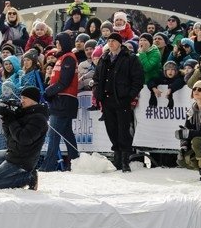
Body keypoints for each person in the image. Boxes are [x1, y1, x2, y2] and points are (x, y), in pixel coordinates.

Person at [92, 32, 145, 172]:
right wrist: (97, 92)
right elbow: (97, 78)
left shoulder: (130, 58)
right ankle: (117, 158)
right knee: (111, 129)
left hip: (122, 100)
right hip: (107, 100)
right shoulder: (104, 58)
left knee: (124, 131)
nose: (111, 43)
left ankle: (125, 160)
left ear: (120, 43)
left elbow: (138, 79)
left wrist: (129, 96)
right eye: (109, 41)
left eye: (114, 41)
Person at [0, 86, 48, 190]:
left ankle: (28, 177)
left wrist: (12, 120)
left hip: (23, 159)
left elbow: (23, 139)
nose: (22, 101)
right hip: (14, 152)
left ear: (34, 100)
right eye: (21, 97)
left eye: (25, 98)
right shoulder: (24, 113)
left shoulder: (38, 118)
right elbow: (9, 137)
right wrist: (6, 119)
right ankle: (14, 175)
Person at [39, 32, 80, 172]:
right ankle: (76, 161)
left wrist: (49, 92)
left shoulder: (68, 58)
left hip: (64, 100)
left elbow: (64, 81)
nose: (57, 46)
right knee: (67, 133)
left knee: (54, 134)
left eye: (59, 43)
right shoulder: (62, 57)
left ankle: (48, 166)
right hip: (61, 100)